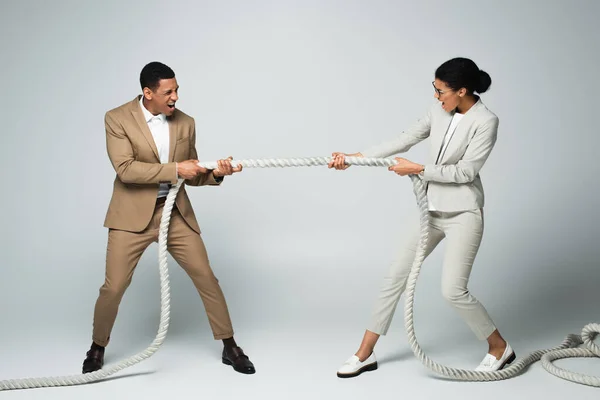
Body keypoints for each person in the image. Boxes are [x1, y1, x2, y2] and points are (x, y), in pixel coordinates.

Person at [329, 57, 515, 378]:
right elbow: (401, 140)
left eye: (440, 90)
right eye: (435, 88)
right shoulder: (438, 112)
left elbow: (466, 171)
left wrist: (417, 169)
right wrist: (352, 158)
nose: (436, 95)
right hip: (429, 211)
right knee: (394, 278)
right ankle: (364, 354)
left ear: (462, 91)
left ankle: (499, 347)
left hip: (462, 214)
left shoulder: (487, 121)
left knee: (452, 290)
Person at [82, 61, 255, 375]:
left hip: (174, 213)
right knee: (114, 287)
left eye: (177, 90)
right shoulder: (117, 118)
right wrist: (176, 169)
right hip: (130, 216)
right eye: (168, 92)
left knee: (207, 278)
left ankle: (230, 345)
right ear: (148, 93)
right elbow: (126, 169)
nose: (175, 97)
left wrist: (216, 172)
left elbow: (193, 173)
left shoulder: (186, 122)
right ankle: (97, 346)